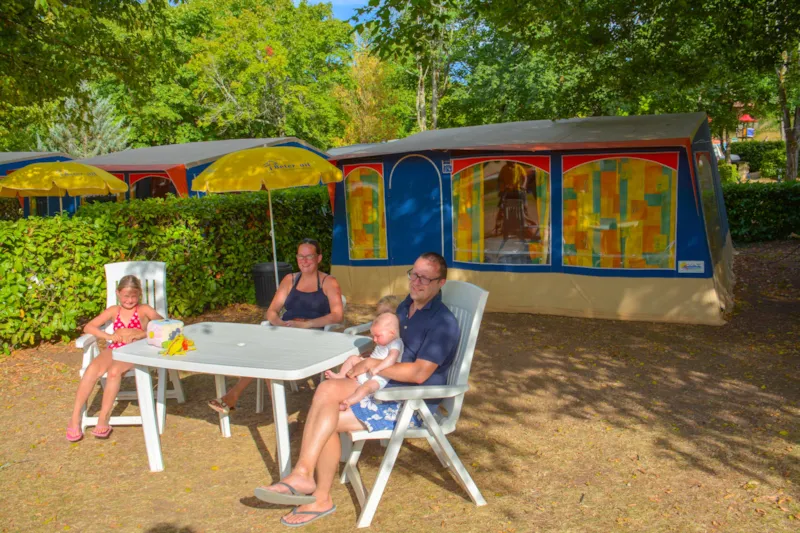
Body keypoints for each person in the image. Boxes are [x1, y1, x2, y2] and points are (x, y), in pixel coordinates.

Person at [253, 252, 460, 527]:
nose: (417, 282)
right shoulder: (407, 306)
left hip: (410, 402)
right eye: (414, 274)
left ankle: (320, 496)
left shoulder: (442, 323)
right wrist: (367, 358)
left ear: (440, 283)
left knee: (327, 420)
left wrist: (373, 365)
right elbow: (391, 345)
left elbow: (419, 374)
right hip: (386, 385)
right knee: (326, 389)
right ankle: (303, 473)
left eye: (426, 278)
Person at [207, 238, 343, 414]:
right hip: (286, 332)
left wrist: (308, 324)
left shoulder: (328, 282)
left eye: (309, 256)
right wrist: (280, 324)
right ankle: (267, 409)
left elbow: (338, 316)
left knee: (265, 354)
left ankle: (236, 397)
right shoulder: (290, 280)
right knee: (264, 352)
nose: (304, 261)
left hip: (314, 337)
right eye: (300, 256)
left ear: (319, 258)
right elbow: (271, 312)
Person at [66, 275, 162, 441]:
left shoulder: (144, 310)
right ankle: (75, 418)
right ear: (118, 293)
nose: (129, 300)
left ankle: (103, 418)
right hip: (114, 348)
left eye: (133, 296)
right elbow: (89, 327)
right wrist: (108, 336)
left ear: (139, 294)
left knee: (114, 371)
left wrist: (141, 334)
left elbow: (164, 324)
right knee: (91, 370)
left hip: (135, 350)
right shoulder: (113, 311)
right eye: (126, 296)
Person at [324, 311, 404, 411]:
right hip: (367, 369)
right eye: (373, 336)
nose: (374, 339)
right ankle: (340, 375)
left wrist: (378, 368)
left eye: (378, 336)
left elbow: (391, 359)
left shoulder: (396, 343)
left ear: (391, 333)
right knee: (353, 358)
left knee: (365, 388)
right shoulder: (384, 341)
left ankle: (349, 402)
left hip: (379, 377)